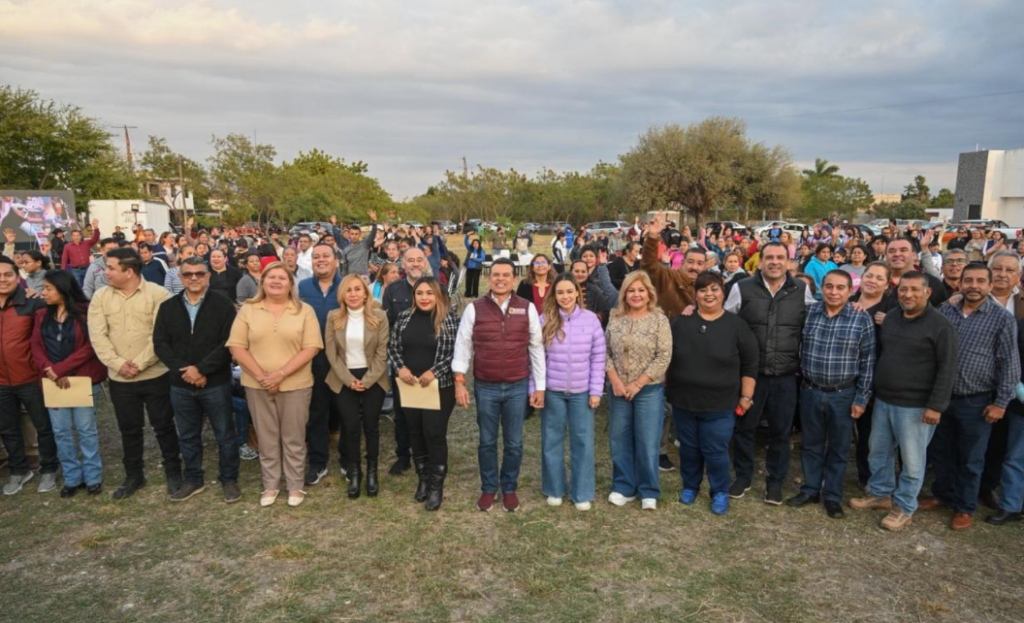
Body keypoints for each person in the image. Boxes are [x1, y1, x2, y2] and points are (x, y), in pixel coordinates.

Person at [849, 272, 958, 531]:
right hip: (885, 400)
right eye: (903, 289)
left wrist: (936, 406)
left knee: (912, 460)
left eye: (915, 290)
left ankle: (905, 506)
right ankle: (880, 493)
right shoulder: (893, 318)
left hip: (917, 406)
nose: (908, 294)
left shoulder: (941, 326)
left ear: (928, 293)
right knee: (879, 451)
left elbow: (948, 368)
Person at [917, 264, 1020, 530]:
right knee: (941, 451)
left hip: (976, 400)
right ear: (960, 283)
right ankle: (943, 494)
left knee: (971, 458)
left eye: (980, 281)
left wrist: (1000, 403)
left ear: (988, 285)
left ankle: (965, 506)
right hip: (942, 397)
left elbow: (1009, 363)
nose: (973, 285)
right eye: (968, 280)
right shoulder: (945, 311)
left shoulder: (1001, 318)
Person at [724, 241, 815, 504]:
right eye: (769, 257)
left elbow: (819, 316)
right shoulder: (742, 288)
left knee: (781, 431)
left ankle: (775, 482)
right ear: (760, 261)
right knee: (745, 428)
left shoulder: (802, 289)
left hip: (786, 375)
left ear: (788, 261)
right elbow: (724, 320)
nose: (774, 262)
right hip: (750, 375)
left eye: (780, 257)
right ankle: (743, 477)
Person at [88, 247, 182, 499]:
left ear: (129, 272)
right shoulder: (100, 297)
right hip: (120, 379)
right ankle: (134, 476)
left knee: (163, 426)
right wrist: (118, 364)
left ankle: (174, 473)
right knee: (128, 428)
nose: (105, 272)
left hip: (155, 375)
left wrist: (139, 364)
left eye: (110, 268)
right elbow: (98, 336)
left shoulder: (158, 294)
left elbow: (162, 336)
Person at [453, 258, 546, 513]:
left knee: (514, 443)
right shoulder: (474, 309)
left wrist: (540, 386)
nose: (501, 279)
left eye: (506, 275)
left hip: (517, 386)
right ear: (488, 278)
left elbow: (536, 349)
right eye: (496, 275)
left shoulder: (527, 308)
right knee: (486, 441)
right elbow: (463, 346)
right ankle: (488, 488)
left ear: (514, 279)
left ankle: (509, 488)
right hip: (486, 386)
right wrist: (459, 380)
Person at [227, 262, 322, 508]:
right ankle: (270, 485)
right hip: (257, 384)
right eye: (271, 277)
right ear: (263, 282)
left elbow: (311, 347)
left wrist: (280, 374)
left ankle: (295, 485)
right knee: (266, 437)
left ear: (291, 284)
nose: (276, 281)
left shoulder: (304, 310)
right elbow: (237, 346)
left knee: (294, 437)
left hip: (296, 384)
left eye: (282, 277)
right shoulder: (249, 309)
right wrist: (262, 376)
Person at [786, 271, 876, 519]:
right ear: (821, 289)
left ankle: (833, 496)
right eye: (828, 287)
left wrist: (861, 398)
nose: (833, 292)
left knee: (838, 449)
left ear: (849, 291)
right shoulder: (810, 313)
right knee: (811, 445)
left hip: (843, 394)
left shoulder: (861, 318)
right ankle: (810, 489)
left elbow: (868, 361)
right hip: (811, 391)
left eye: (840, 288)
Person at [667, 271, 757, 516]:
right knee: (688, 447)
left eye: (714, 289)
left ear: (723, 292)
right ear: (695, 295)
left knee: (715, 450)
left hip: (720, 404)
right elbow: (667, 356)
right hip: (684, 400)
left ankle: (719, 491)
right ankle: (690, 486)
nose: (709, 294)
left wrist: (746, 397)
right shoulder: (681, 322)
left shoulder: (736, 325)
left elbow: (750, 363)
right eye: (703, 290)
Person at [152, 257, 241, 503]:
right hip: (181, 384)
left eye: (199, 274)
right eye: (188, 274)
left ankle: (229, 479)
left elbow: (228, 343)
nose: (194, 278)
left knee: (224, 433)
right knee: (188, 434)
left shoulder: (223, 305)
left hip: (215, 383)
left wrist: (201, 370)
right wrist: (186, 371)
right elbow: (161, 344)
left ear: (208, 276)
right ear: (180, 277)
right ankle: (193, 479)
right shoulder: (168, 307)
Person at [31, 270, 107, 497]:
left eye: (48, 289)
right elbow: (36, 346)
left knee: (86, 429)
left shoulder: (85, 313)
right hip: (53, 381)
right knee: (61, 431)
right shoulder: (42, 314)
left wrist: (61, 369)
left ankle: (93, 476)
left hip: (81, 379)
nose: (43, 293)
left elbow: (90, 346)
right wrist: (50, 370)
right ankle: (72, 477)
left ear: (63, 290)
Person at [388, 277, 459, 510]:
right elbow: (394, 347)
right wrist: (401, 367)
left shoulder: (447, 319)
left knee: (434, 433)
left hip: (439, 387)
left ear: (438, 295)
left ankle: (437, 486)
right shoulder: (403, 317)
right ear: (414, 296)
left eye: (429, 293)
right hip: (409, 385)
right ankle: (423, 479)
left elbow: (455, 354)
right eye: (420, 293)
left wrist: (434, 371)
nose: (424, 297)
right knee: (415, 432)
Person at [536, 274, 606, 511]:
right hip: (553, 392)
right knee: (551, 440)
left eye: (569, 291)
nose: (565, 296)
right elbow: (536, 359)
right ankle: (554, 488)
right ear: (554, 296)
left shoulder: (591, 320)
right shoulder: (545, 320)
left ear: (577, 292)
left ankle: (582, 491)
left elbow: (598, 358)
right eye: (560, 292)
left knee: (582, 441)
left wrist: (596, 390)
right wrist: (537, 389)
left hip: (582, 392)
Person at [604, 271, 671, 510]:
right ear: (625, 293)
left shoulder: (659, 320)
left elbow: (663, 356)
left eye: (641, 290)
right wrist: (616, 381)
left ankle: (648, 490)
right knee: (619, 439)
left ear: (649, 293)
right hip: (619, 389)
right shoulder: (616, 317)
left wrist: (638, 383)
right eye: (631, 290)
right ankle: (624, 486)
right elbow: (605, 353)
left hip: (648, 390)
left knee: (647, 441)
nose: (636, 294)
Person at [325, 274, 390, 499]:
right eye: (348, 290)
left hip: (373, 377)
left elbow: (382, 354)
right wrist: (348, 380)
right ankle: (355, 473)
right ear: (342, 294)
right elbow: (331, 354)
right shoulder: (333, 317)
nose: (353, 294)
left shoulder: (380, 316)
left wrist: (367, 380)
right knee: (350, 427)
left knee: (371, 426)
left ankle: (372, 472)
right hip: (343, 377)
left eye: (357, 289)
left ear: (365, 293)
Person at [0, 256, 60, 495]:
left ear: (18, 277)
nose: (2, 280)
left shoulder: (33, 303)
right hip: (2, 382)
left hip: (31, 378)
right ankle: (18, 470)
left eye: (8, 274)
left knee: (43, 426)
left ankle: (48, 469)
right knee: (9, 428)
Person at [382, 246, 431, 475]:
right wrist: (399, 364)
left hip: (430, 361)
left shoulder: (437, 289)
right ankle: (404, 455)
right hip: (402, 362)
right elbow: (388, 329)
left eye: (419, 259)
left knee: (428, 412)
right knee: (402, 413)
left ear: (425, 262)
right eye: (410, 260)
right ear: (403, 264)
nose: (415, 264)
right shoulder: (393, 290)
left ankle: (428, 454)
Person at [987, 314, 1024, 525]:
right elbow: (1010, 365)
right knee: (1015, 458)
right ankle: (1011, 505)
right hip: (1021, 404)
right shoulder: (1018, 327)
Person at [641, 213, 702, 319]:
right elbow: (649, 266)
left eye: (700, 263)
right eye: (690, 262)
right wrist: (652, 238)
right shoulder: (669, 277)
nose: (695, 267)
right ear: (682, 263)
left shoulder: (707, 285)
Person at [885, 237, 946, 307]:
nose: (897, 254)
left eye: (903, 250)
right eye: (892, 251)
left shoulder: (932, 283)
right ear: (886, 256)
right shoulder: (875, 282)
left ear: (914, 255)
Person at [60, 220, 100, 285]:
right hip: (75, 271)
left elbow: (95, 239)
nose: (76, 237)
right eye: (74, 236)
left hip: (87, 269)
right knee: (77, 287)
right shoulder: (67, 246)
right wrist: (62, 272)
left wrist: (96, 228)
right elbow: (64, 259)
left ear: (80, 236)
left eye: (78, 235)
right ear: (71, 237)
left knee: (88, 286)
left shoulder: (86, 243)